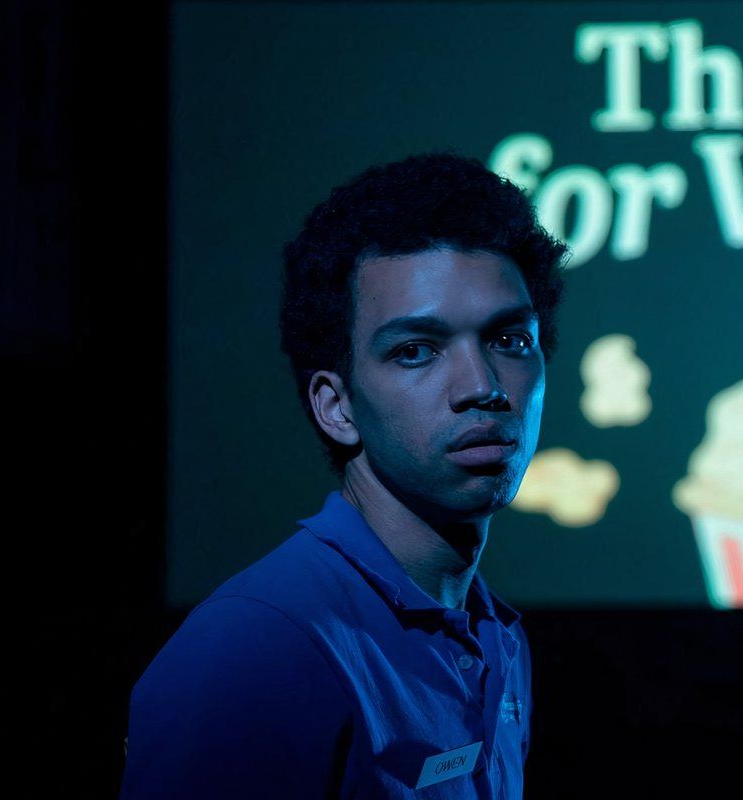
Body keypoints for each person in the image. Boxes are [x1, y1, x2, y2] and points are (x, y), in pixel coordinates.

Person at [119, 152, 568, 799]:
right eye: (416, 350)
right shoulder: (258, 648)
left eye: (509, 341)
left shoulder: (493, 636)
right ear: (335, 406)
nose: (482, 387)